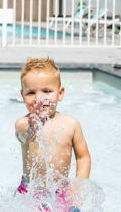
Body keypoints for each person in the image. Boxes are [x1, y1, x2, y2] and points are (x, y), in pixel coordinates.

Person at [14, 58, 91, 209]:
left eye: (47, 91)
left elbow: (83, 157)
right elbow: (23, 135)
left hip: (62, 191)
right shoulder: (23, 123)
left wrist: (78, 186)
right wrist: (32, 126)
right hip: (31, 190)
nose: (39, 98)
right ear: (22, 95)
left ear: (60, 93)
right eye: (31, 93)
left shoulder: (71, 124)